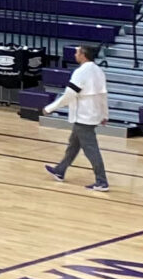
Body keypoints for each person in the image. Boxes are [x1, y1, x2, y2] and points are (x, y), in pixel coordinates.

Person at [44, 43, 111, 192]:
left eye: (77, 52)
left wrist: (50, 108)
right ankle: (60, 170)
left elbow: (69, 95)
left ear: (83, 55)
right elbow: (103, 95)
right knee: (73, 144)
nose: (75, 55)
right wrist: (105, 114)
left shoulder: (81, 72)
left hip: (84, 116)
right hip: (93, 114)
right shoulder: (99, 71)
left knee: (91, 149)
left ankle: (101, 181)